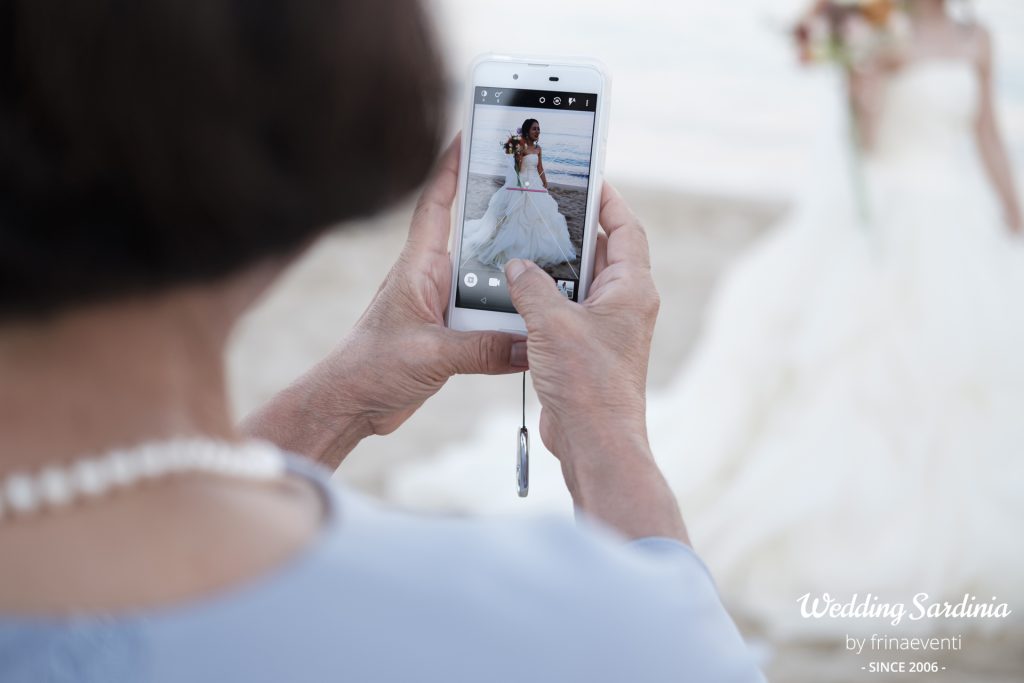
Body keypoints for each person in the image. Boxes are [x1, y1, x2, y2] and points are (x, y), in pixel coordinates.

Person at [0, 1, 765, 680]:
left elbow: (126, 521)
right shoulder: (574, 632)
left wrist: (344, 397)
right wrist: (608, 433)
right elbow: (686, 650)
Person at [388, 0, 1024, 639]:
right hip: (885, 212)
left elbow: (988, 137)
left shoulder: (975, 38)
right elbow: (869, 138)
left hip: (955, 222)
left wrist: (1013, 219)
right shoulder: (880, 35)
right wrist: (862, 74)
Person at [461, 118, 578, 270]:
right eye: (534, 129)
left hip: (535, 183)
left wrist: (544, 182)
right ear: (527, 131)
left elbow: (540, 167)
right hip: (521, 182)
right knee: (516, 216)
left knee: (540, 215)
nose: (537, 131)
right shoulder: (521, 147)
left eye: (538, 129)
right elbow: (518, 169)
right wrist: (517, 156)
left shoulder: (538, 149)